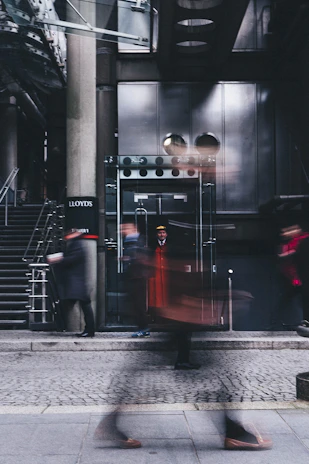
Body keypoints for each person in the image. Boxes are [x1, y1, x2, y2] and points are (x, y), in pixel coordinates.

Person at [148, 225, 200, 370]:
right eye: (159, 233)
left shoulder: (171, 249)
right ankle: (182, 360)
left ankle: (182, 359)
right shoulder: (154, 247)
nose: (162, 235)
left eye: (163, 232)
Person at [47, 228, 95, 337]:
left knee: (84, 306)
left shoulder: (76, 244)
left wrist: (58, 259)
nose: (66, 236)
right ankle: (88, 329)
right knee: (83, 305)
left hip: (77, 282)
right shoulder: (76, 243)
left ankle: (88, 330)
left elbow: (72, 259)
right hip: (77, 282)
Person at [121, 223, 150, 338]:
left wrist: (129, 259)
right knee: (136, 304)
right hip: (135, 277)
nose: (123, 230)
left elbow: (140, 258)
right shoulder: (130, 241)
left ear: (133, 229)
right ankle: (142, 327)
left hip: (137, 277)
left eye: (125, 228)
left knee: (138, 304)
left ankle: (143, 328)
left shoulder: (137, 242)